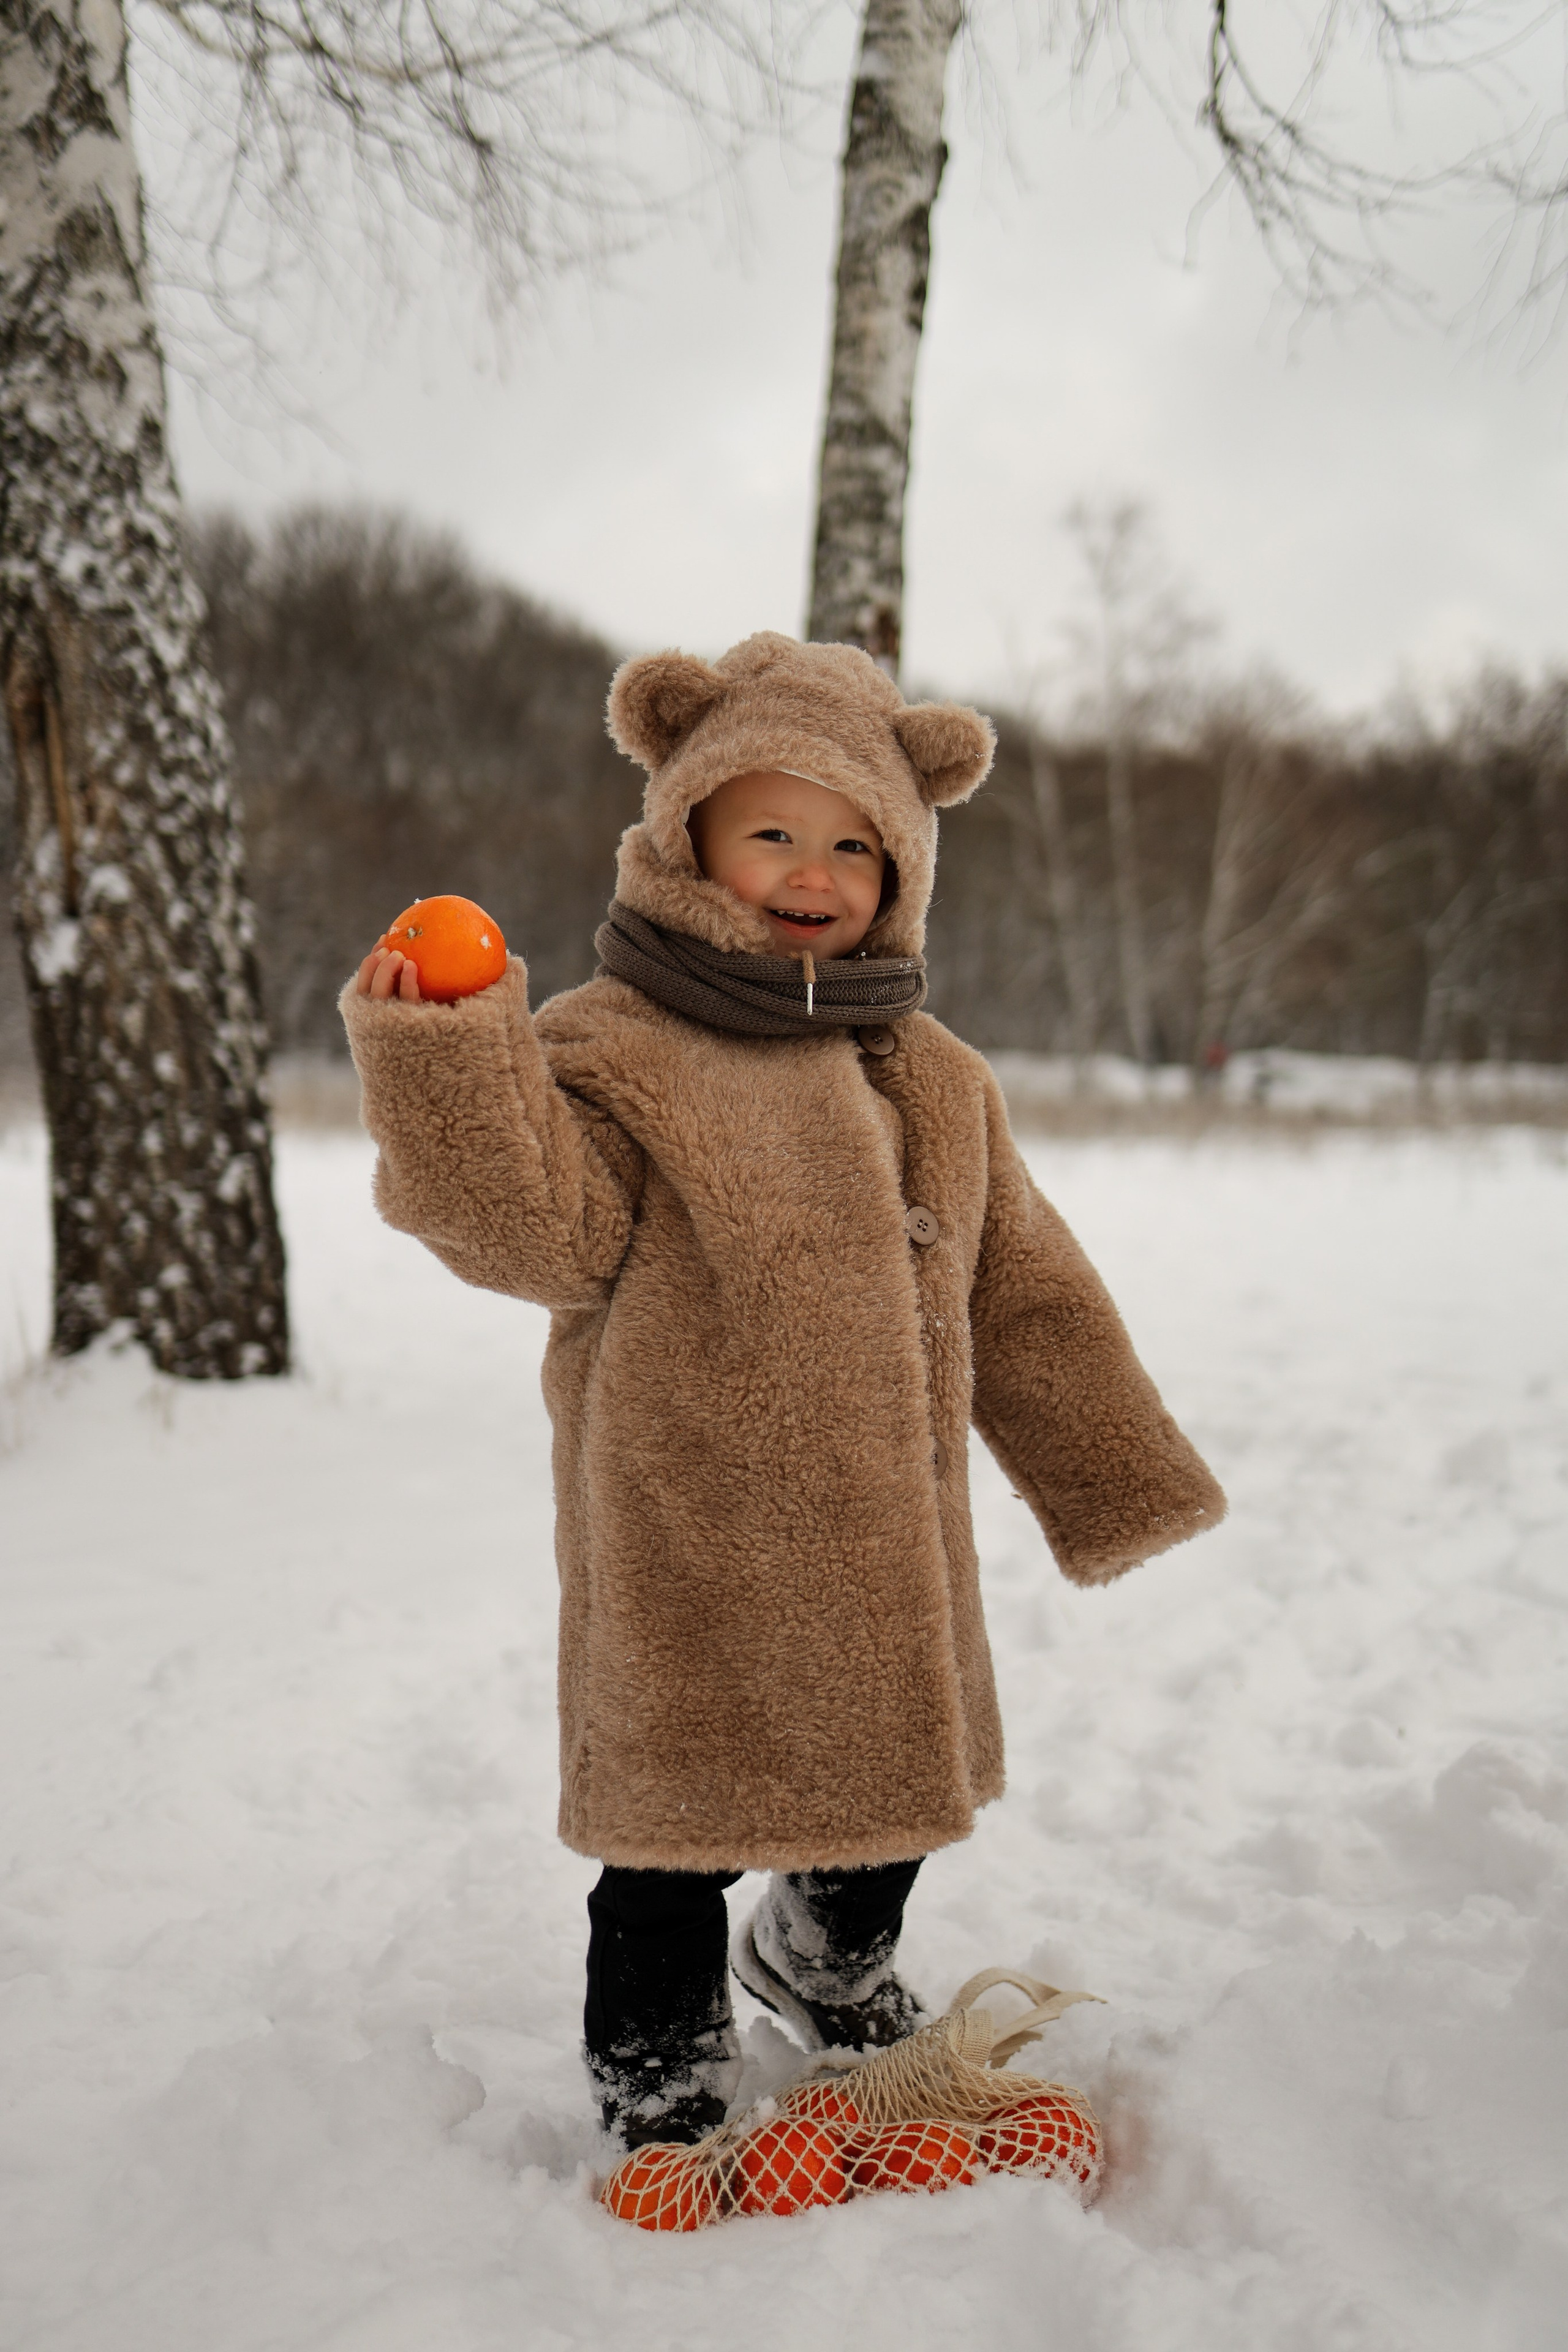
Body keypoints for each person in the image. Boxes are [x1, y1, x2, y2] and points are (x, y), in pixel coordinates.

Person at [342, 631, 1225, 2150]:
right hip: (690, 1523)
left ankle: (826, 1957)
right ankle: (660, 2068)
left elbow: (1026, 1290)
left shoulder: (934, 1074)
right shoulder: (613, 1048)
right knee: (670, 1844)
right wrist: (445, 1062)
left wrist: (1112, 1474)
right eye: (770, 833)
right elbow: (536, 1232)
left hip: (887, 1533)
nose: (812, 872)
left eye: (853, 845)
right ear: (685, 834)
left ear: (904, 871)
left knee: (890, 1801)